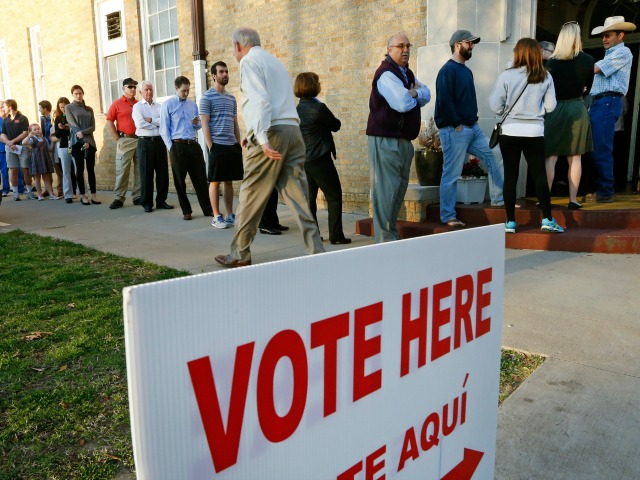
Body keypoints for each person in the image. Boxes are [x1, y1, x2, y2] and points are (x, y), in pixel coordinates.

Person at [215, 27, 324, 267]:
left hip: (272, 133)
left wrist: (261, 139)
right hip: (292, 132)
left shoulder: (248, 62)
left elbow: (260, 101)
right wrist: (252, 133)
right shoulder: (275, 63)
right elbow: (274, 101)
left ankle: (239, 254)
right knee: (299, 197)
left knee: (251, 194)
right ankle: (317, 250)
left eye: (233, 49)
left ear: (238, 46)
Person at [489, 38, 563, 234]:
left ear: (518, 53)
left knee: (511, 176)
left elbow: (495, 105)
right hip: (534, 132)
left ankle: (510, 222)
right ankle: (547, 219)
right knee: (539, 175)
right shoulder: (545, 76)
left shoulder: (506, 76)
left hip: (511, 131)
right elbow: (551, 106)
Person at [435, 29, 504, 227]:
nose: (472, 46)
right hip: (454, 130)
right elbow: (445, 102)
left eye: (473, 43)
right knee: (451, 173)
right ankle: (448, 216)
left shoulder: (466, 71)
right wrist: (457, 124)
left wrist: (472, 122)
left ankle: (499, 199)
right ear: (457, 45)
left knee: (495, 154)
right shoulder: (447, 71)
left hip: (473, 129)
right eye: (468, 42)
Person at [366, 33, 430, 242]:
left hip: (403, 141)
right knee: (386, 192)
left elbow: (427, 93)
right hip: (386, 140)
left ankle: (390, 235)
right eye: (400, 46)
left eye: (408, 46)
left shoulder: (406, 74)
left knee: (397, 191)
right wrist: (411, 94)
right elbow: (401, 103)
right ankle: (384, 240)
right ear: (390, 49)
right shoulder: (386, 74)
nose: (405, 50)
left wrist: (413, 93)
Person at [295, 71, 350, 244]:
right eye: (318, 82)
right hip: (320, 158)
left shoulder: (295, 110)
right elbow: (336, 125)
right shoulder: (318, 108)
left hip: (304, 160)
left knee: (310, 200)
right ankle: (336, 236)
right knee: (334, 196)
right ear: (312, 86)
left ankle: (314, 236)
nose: (320, 85)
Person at [544, 22, 594, 210]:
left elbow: (546, 89)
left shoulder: (551, 63)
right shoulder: (588, 60)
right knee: (575, 158)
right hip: (577, 108)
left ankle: (545, 197)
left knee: (551, 156)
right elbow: (587, 87)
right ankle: (573, 199)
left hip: (555, 108)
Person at [586, 16, 636, 203]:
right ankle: (601, 189)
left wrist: (573, 64)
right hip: (601, 102)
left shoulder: (623, 53)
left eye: (608, 35)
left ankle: (605, 191)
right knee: (596, 148)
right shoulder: (610, 54)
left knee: (602, 148)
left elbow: (596, 69)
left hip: (608, 102)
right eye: (603, 36)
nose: (604, 39)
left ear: (620, 35)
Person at [159, 76, 213, 220]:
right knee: (180, 181)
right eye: (183, 91)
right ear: (176, 88)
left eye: (188, 90)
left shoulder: (192, 104)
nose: (186, 93)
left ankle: (208, 209)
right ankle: (186, 211)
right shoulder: (167, 105)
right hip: (177, 146)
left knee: (201, 179)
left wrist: (197, 123)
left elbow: (197, 125)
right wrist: (171, 148)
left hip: (193, 145)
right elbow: (164, 129)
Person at [199, 60, 243, 228]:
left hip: (231, 145)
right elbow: (204, 124)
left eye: (226, 71)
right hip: (217, 145)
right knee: (215, 181)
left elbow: (235, 123)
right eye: (221, 72)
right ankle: (217, 216)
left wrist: (238, 144)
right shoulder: (206, 97)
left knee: (229, 181)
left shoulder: (231, 98)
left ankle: (229, 214)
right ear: (214, 76)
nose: (225, 74)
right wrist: (211, 146)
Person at [132, 80, 173, 213]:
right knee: (146, 173)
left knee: (162, 173)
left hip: (159, 141)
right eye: (146, 90)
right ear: (141, 92)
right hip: (145, 142)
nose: (149, 92)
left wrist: (151, 120)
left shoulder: (159, 107)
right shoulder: (137, 107)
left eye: (150, 89)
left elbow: (165, 122)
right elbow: (140, 124)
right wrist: (157, 123)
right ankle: (147, 202)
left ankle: (161, 201)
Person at [107, 78, 141, 209]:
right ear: (123, 88)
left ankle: (138, 196)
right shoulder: (117, 104)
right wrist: (117, 138)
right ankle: (119, 198)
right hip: (125, 140)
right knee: (122, 170)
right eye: (130, 87)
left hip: (140, 139)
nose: (133, 89)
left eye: (134, 87)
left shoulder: (139, 104)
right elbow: (109, 120)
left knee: (140, 170)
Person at [66, 85, 100, 206]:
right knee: (79, 170)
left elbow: (93, 127)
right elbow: (73, 125)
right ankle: (83, 195)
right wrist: (83, 138)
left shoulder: (89, 109)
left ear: (83, 94)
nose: (79, 96)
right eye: (76, 94)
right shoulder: (68, 107)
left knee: (91, 170)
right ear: (73, 95)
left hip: (90, 142)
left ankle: (94, 196)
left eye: (80, 93)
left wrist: (85, 136)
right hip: (77, 142)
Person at [0, 99, 36, 201]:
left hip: (22, 147)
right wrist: (9, 143)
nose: (3, 108)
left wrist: (13, 141)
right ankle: (15, 193)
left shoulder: (23, 118)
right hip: (10, 148)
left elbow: (25, 133)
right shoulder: (5, 120)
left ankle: (29, 191)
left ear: (10, 106)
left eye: (4, 106)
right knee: (13, 170)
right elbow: (2, 134)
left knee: (25, 169)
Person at [22, 123, 58, 200]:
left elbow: (50, 149)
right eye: (34, 130)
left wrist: (53, 141)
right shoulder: (32, 139)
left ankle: (51, 194)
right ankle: (39, 194)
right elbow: (23, 142)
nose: (37, 131)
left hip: (44, 159)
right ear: (31, 131)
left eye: (38, 129)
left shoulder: (44, 139)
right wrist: (29, 136)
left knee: (46, 178)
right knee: (37, 178)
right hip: (36, 160)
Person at [51, 97, 77, 203]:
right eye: (61, 107)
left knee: (77, 169)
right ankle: (68, 195)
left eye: (64, 107)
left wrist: (69, 127)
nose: (63, 109)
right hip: (63, 145)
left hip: (74, 143)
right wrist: (61, 128)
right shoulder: (58, 117)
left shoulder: (73, 115)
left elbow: (76, 129)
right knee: (65, 170)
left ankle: (82, 191)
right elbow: (57, 135)